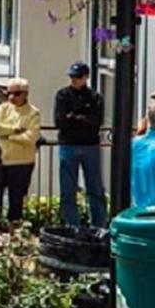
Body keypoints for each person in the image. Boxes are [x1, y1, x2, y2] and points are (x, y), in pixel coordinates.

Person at [54, 62, 106, 229]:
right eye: (72, 77)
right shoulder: (62, 95)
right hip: (68, 145)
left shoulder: (95, 97)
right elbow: (60, 121)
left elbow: (96, 122)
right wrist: (82, 118)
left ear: (86, 77)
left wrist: (74, 117)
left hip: (90, 146)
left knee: (95, 188)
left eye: (78, 77)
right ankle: (72, 226)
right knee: (68, 189)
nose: (74, 80)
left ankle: (99, 226)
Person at [0, 78, 40, 223]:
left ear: (26, 94)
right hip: (1, 160)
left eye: (16, 93)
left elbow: (31, 137)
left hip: (22, 162)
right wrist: (16, 131)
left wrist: (6, 135)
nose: (11, 97)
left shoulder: (33, 113)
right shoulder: (3, 108)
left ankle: (14, 238)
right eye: (8, 93)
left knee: (16, 201)